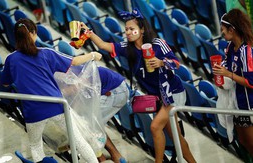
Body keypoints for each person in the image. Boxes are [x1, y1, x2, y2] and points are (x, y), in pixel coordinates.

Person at [80, 8, 196, 163]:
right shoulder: (127, 47)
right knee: (175, 136)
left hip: (172, 93)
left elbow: (176, 64)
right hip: (159, 96)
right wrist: (88, 32)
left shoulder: (158, 44)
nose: (128, 32)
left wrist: (161, 62)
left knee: (155, 127)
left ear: (142, 30)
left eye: (132, 29)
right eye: (126, 29)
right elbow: (103, 45)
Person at [0, 18, 102, 163]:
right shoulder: (46, 53)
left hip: (32, 110)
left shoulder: (11, 59)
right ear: (34, 33)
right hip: (56, 105)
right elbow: (74, 61)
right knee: (78, 141)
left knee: (36, 145)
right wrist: (92, 55)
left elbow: (4, 83)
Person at [213, 9, 253, 157]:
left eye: (223, 29)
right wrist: (220, 74)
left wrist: (228, 74)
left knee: (251, 143)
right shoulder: (230, 47)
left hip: (249, 106)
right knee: (244, 141)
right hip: (236, 103)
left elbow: (251, 82)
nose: (222, 33)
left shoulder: (247, 51)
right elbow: (227, 68)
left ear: (232, 29)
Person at [70, 65, 129, 163]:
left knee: (87, 124)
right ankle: (116, 157)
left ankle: (102, 158)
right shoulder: (71, 71)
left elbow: (76, 90)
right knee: (91, 124)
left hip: (116, 91)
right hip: (115, 89)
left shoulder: (74, 74)